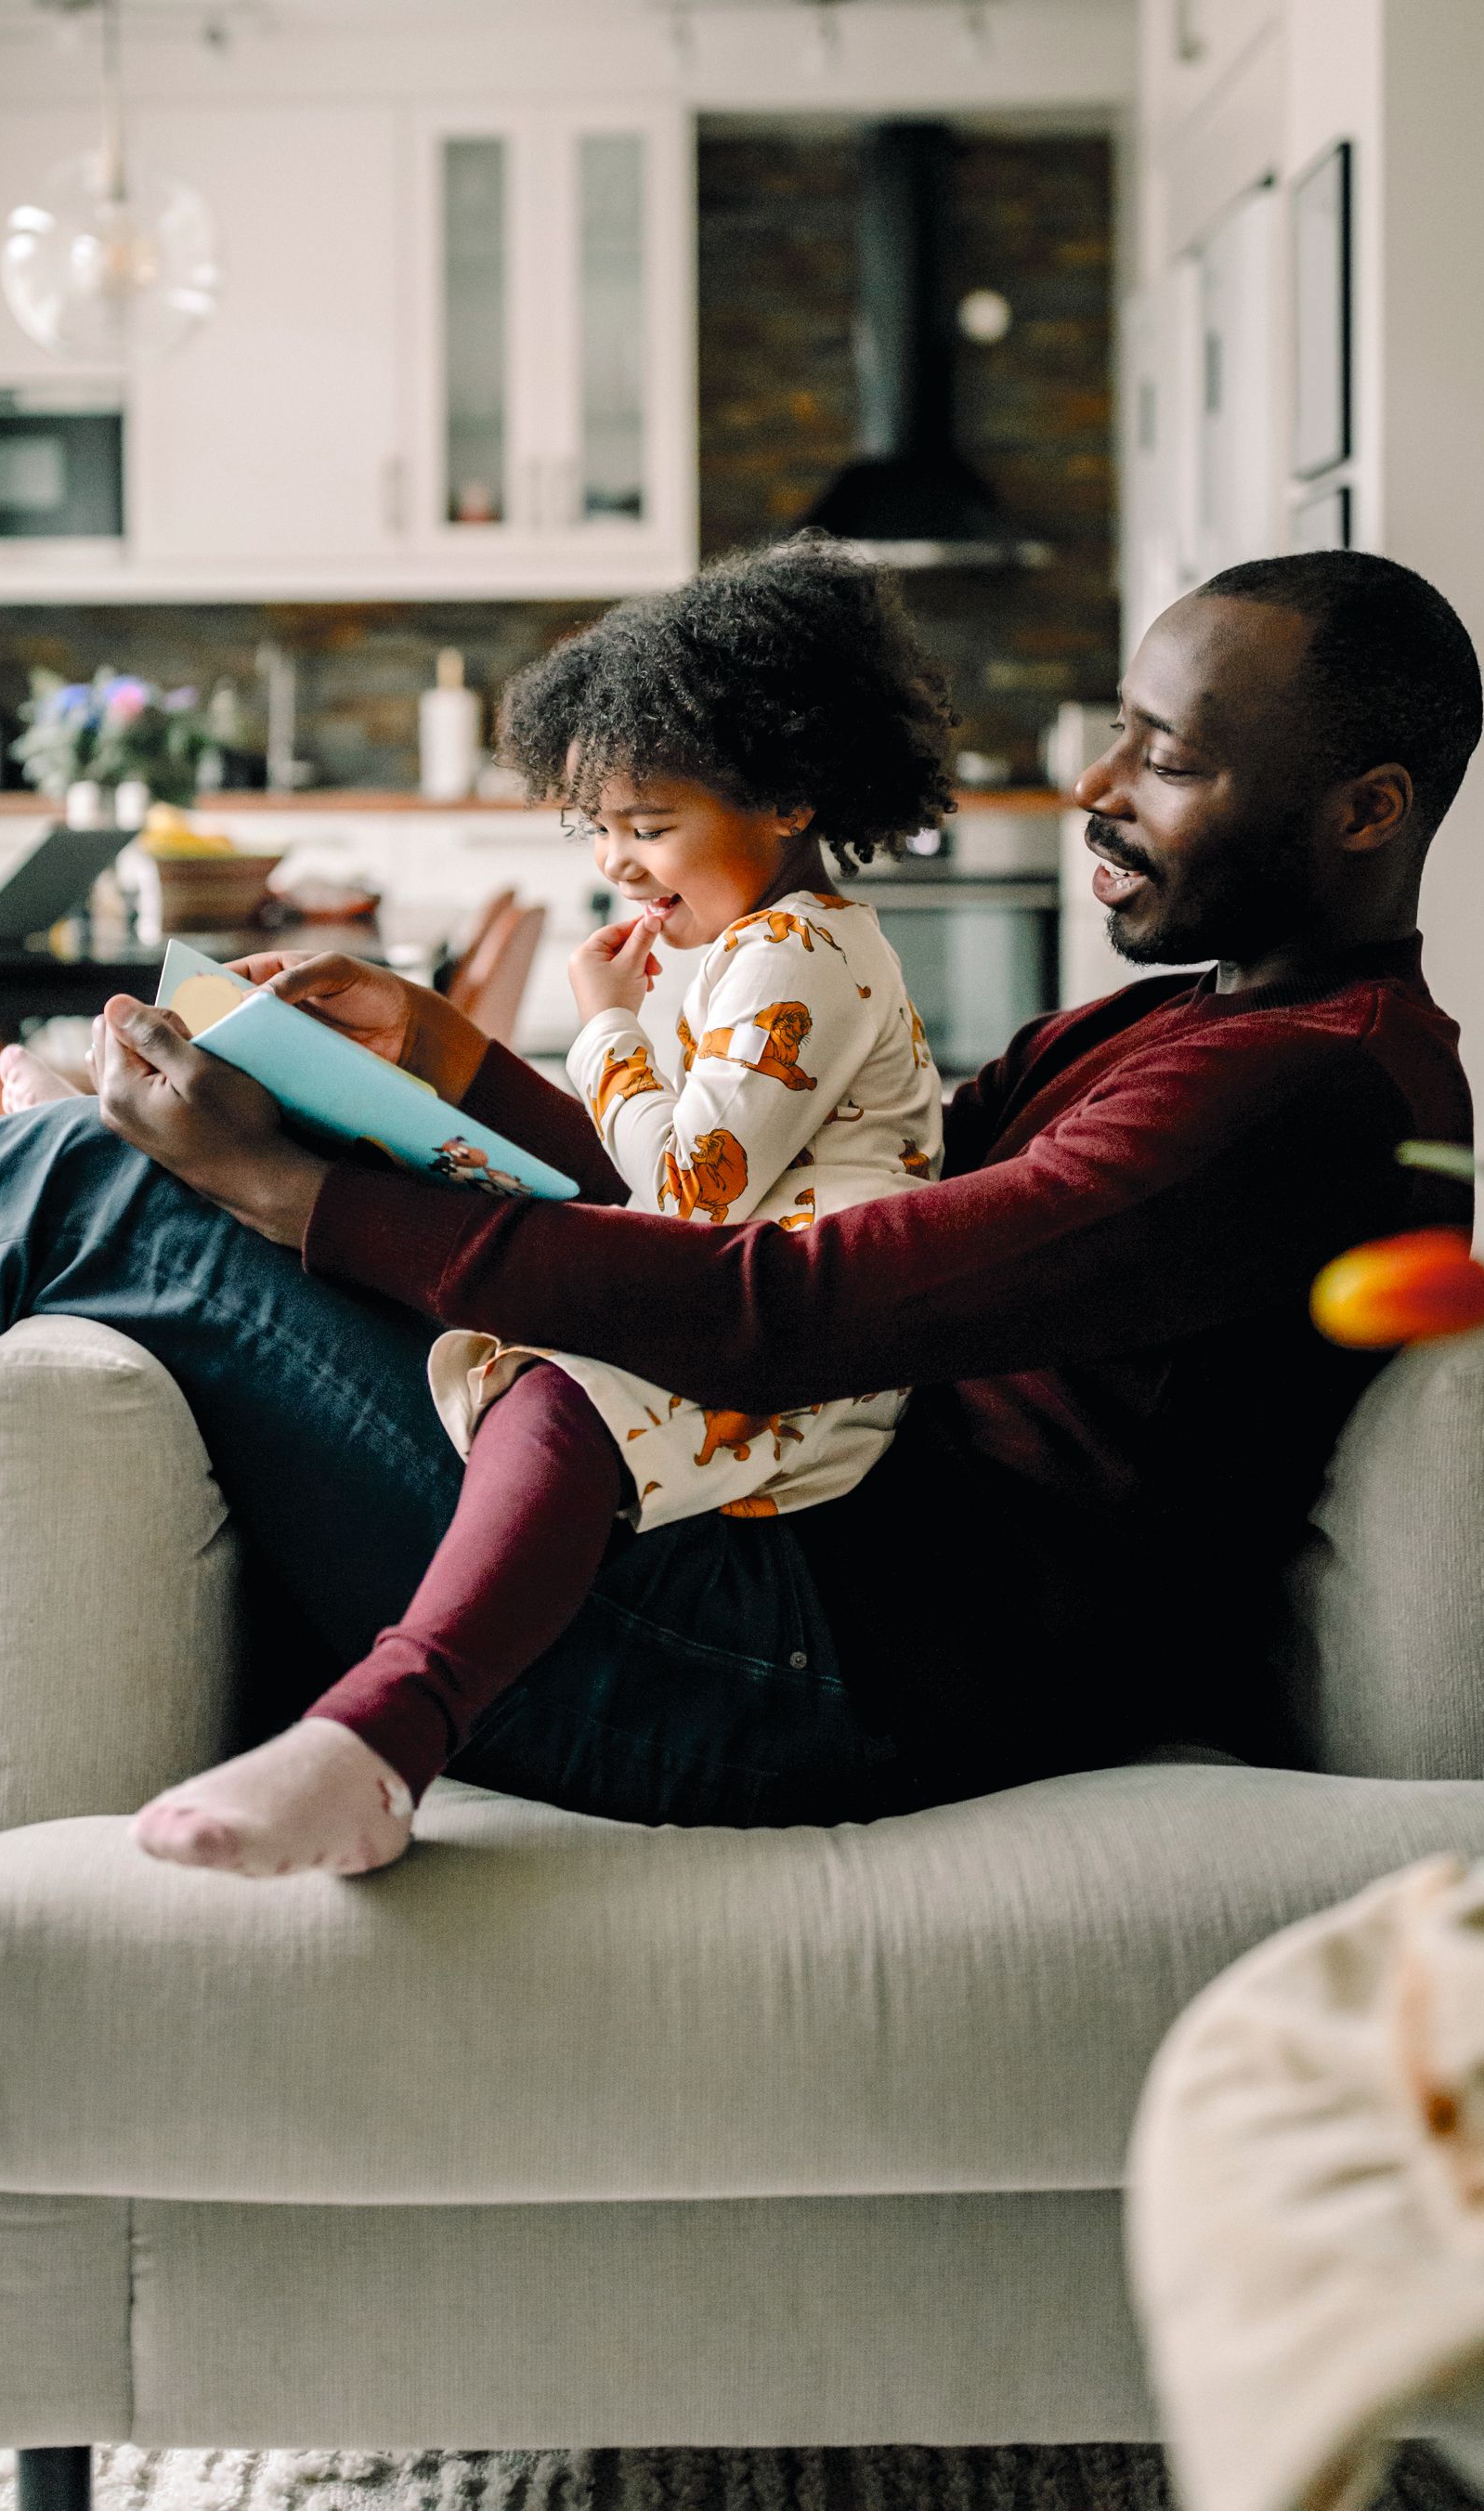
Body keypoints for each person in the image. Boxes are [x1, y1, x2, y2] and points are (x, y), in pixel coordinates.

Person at [0, 553, 1477, 1858]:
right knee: (143, 1181)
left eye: (1170, 759)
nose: (1106, 786)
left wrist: (289, 1182)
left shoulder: (1286, 1103)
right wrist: (446, 1069)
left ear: (1362, 807)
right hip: (770, 1554)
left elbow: (792, 1307)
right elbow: (727, 1208)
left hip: (795, 1661)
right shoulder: (1219, 1029)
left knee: (117, 1187)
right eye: (1117, 731)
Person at [130, 542, 953, 1877]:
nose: (623, 866)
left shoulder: (800, 953)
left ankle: (385, 1742)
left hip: (799, 1368)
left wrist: (608, 1029)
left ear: (790, 794)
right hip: (742, 1302)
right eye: (603, 831)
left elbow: (694, 1182)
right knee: (456, 1279)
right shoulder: (750, 947)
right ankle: (113, 1131)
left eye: (652, 825)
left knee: (559, 1394)